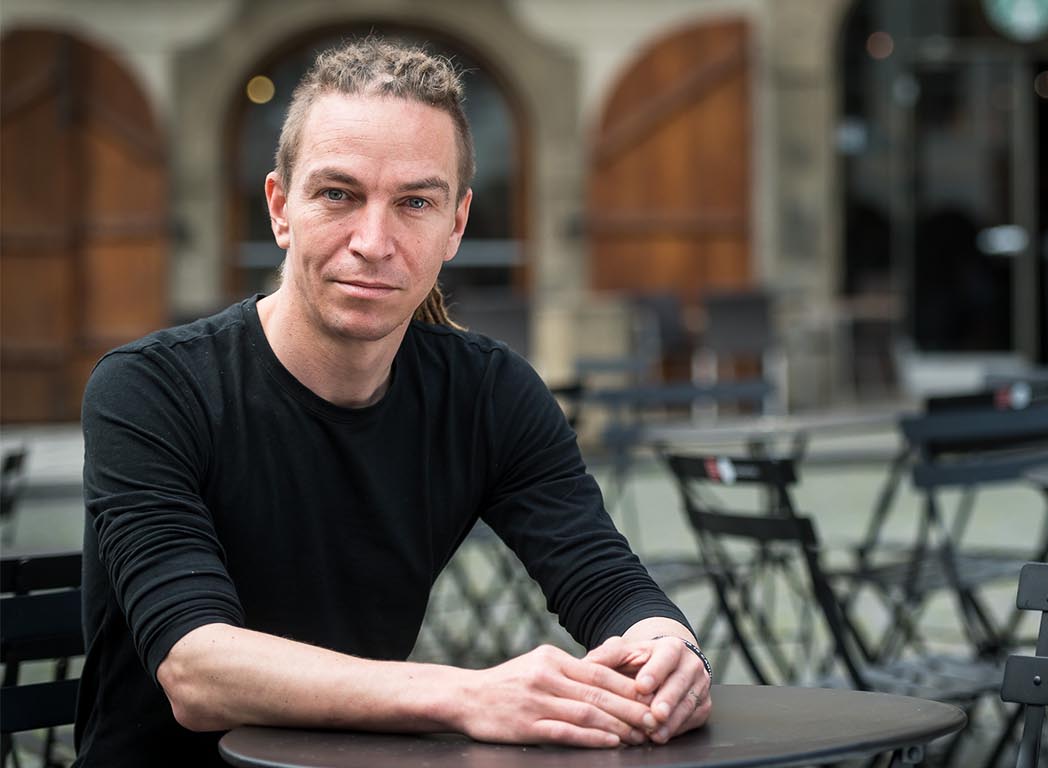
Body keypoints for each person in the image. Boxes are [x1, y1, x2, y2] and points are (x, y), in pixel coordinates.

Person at [75, 38, 711, 767]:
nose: (374, 242)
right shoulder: (151, 389)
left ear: (455, 226)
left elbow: (605, 581)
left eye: (414, 203)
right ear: (280, 208)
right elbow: (196, 669)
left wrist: (666, 647)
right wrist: (468, 695)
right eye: (338, 195)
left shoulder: (487, 393)